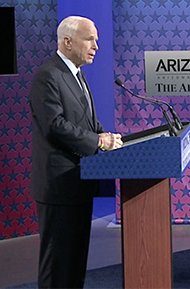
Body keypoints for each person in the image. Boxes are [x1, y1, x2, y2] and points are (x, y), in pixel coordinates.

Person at [29, 15, 123, 289]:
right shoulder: (48, 75)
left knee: (74, 263)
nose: (96, 46)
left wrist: (106, 136)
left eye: (96, 40)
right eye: (90, 39)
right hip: (58, 186)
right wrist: (97, 141)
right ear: (67, 41)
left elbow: (87, 122)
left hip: (79, 183)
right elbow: (54, 125)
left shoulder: (76, 74)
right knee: (58, 264)